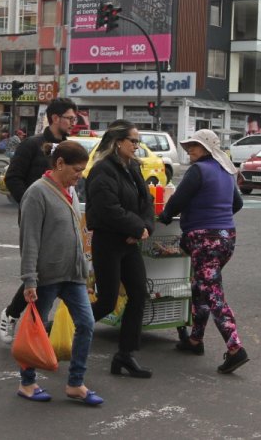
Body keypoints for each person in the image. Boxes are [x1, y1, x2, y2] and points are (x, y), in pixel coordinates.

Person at [15, 140, 102, 405]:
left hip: (73, 275)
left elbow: (76, 233)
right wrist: (29, 279)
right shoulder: (37, 193)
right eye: (77, 170)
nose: (80, 176)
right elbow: (29, 240)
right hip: (47, 276)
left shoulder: (71, 192)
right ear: (60, 163)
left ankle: (76, 383)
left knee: (86, 324)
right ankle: (27, 383)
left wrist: (85, 272)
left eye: (82, 170)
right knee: (36, 329)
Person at [158, 129, 249, 374]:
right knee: (201, 288)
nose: (190, 150)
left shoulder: (198, 170)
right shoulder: (226, 170)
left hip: (204, 240)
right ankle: (195, 340)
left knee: (213, 294)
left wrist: (164, 216)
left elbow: (177, 200)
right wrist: (218, 216)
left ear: (208, 148)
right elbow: (237, 203)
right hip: (226, 237)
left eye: (195, 146)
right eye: (189, 146)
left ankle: (235, 348)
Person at [0, 98, 80, 343]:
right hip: (36, 218)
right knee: (40, 270)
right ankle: (13, 314)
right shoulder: (32, 145)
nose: (73, 123)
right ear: (55, 118)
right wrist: (29, 203)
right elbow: (13, 178)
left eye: (74, 119)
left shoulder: (69, 147)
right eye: (69, 118)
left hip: (62, 217)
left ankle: (35, 322)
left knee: (51, 271)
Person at [86, 119, 154, 378]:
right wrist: (136, 228)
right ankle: (61, 330)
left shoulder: (132, 167)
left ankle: (125, 355)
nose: (137, 145)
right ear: (117, 142)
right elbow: (107, 208)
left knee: (138, 294)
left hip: (130, 242)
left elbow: (146, 201)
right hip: (109, 241)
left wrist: (144, 228)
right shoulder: (102, 169)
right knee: (106, 301)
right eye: (133, 141)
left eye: (138, 141)